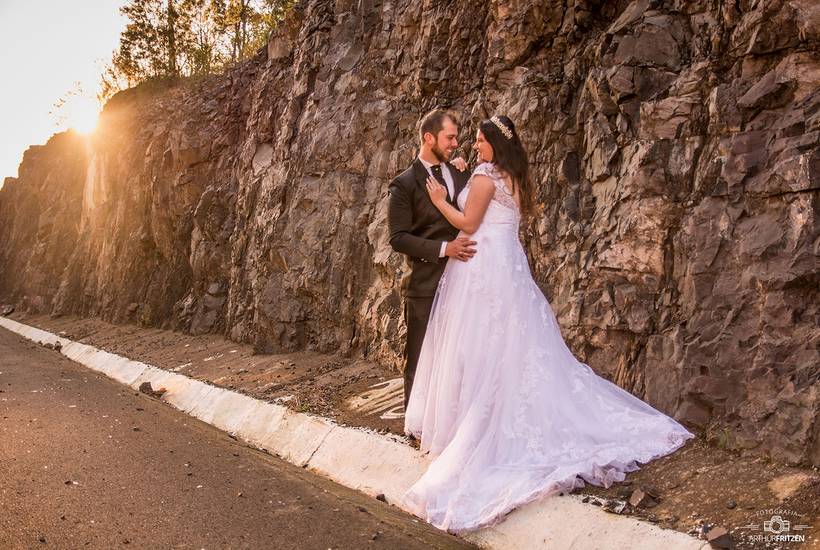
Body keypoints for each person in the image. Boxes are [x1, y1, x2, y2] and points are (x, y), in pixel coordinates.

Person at [402, 114, 695, 533]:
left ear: (494, 144)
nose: (474, 145)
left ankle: (474, 424)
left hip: (483, 267)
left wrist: (438, 200)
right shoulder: (514, 176)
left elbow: (467, 223)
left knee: (479, 346)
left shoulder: (485, 175)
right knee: (512, 345)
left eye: (480, 140)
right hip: (508, 266)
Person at [387, 109, 476, 411]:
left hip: (465, 282)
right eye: (449, 137)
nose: (455, 143)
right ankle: (415, 425)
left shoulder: (461, 171)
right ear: (429, 137)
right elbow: (398, 238)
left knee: (459, 358)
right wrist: (444, 249)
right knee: (420, 358)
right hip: (426, 284)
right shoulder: (404, 184)